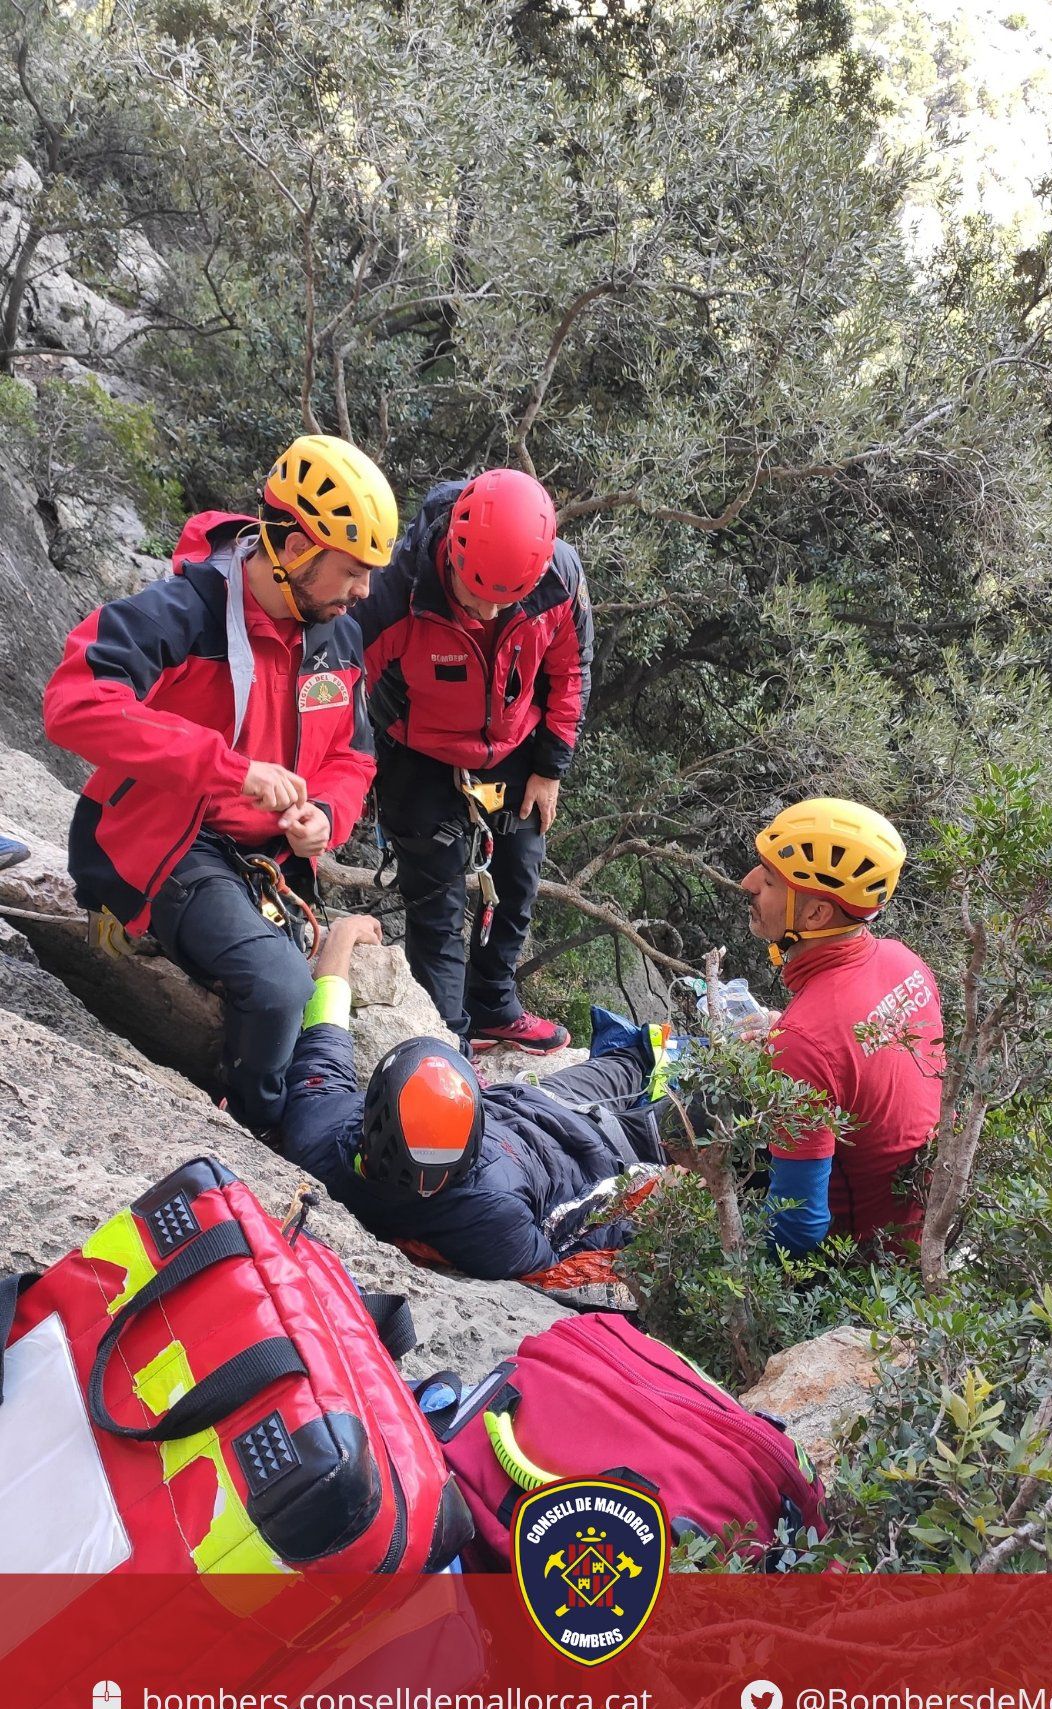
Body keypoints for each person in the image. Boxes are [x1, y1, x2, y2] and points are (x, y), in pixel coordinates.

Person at [42, 434, 399, 1132]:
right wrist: (230, 770)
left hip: (266, 858)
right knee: (277, 990)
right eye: (353, 570)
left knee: (283, 988)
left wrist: (326, 813)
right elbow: (73, 705)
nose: (364, 592)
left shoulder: (335, 635)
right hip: (170, 842)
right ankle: (255, 1130)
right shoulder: (187, 610)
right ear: (295, 547)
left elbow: (354, 758)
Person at [281, 916, 669, 1281]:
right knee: (675, 1103)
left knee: (637, 1059)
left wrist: (343, 935)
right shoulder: (492, 1218)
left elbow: (324, 1030)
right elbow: (566, 1265)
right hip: (602, 1150)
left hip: (540, 1103)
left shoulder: (318, 1135)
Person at [359, 467, 593, 1056]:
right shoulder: (397, 587)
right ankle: (445, 1044)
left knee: (517, 874)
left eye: (503, 600)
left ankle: (492, 1004)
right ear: (454, 553)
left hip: (514, 749)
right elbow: (335, 671)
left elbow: (570, 673)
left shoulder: (558, 579)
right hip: (417, 749)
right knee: (436, 902)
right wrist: (354, 762)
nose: (487, 613)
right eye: (474, 594)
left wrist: (550, 768)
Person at [741, 796, 944, 1255]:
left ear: (815, 915)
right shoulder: (905, 963)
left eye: (769, 881)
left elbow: (798, 1229)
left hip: (854, 1262)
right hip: (916, 1234)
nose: (747, 883)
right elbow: (863, 1055)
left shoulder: (804, 1041)